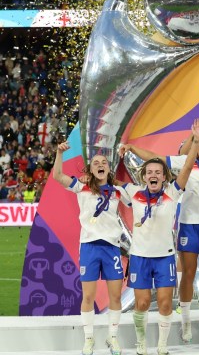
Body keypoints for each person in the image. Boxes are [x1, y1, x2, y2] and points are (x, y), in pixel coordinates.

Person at [121, 122, 199, 344]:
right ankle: (185, 323)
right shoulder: (185, 162)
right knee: (189, 273)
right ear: (195, 143)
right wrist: (133, 149)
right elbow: (156, 158)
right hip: (189, 224)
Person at [121, 120, 199, 355]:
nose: (153, 175)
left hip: (165, 258)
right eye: (149, 172)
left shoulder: (172, 193)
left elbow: (187, 167)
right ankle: (141, 341)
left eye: (158, 172)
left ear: (163, 177)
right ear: (143, 177)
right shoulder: (132, 192)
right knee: (143, 303)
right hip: (140, 258)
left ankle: (163, 345)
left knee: (166, 303)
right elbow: (105, 182)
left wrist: (195, 140)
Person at [52, 144, 129, 355]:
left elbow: (138, 199)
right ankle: (88, 339)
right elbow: (57, 175)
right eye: (96, 163)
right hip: (89, 247)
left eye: (104, 163)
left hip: (112, 248)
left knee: (115, 297)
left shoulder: (118, 191)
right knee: (88, 297)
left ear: (108, 169)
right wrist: (59, 153)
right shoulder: (81, 186)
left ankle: (112, 338)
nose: (100, 165)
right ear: (90, 170)